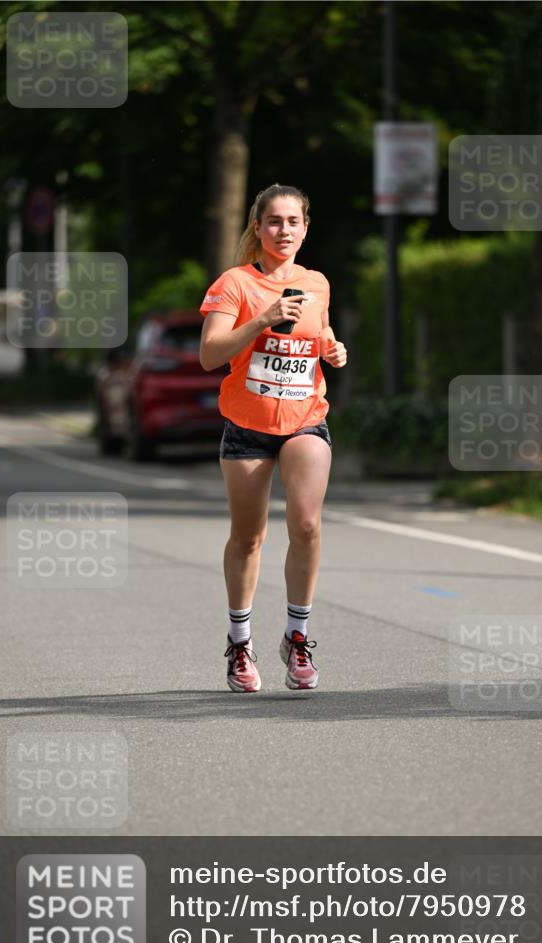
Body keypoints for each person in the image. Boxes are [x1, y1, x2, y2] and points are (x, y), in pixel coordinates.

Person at [199, 183, 347, 693]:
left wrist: (332, 349)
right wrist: (262, 319)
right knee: (249, 536)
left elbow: (318, 333)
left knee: (305, 524)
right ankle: (240, 643)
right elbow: (210, 354)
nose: (284, 231)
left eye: (293, 222)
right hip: (246, 425)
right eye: (274, 222)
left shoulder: (318, 283)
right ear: (257, 228)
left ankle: (297, 635)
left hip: (306, 417)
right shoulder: (235, 284)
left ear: (306, 229)